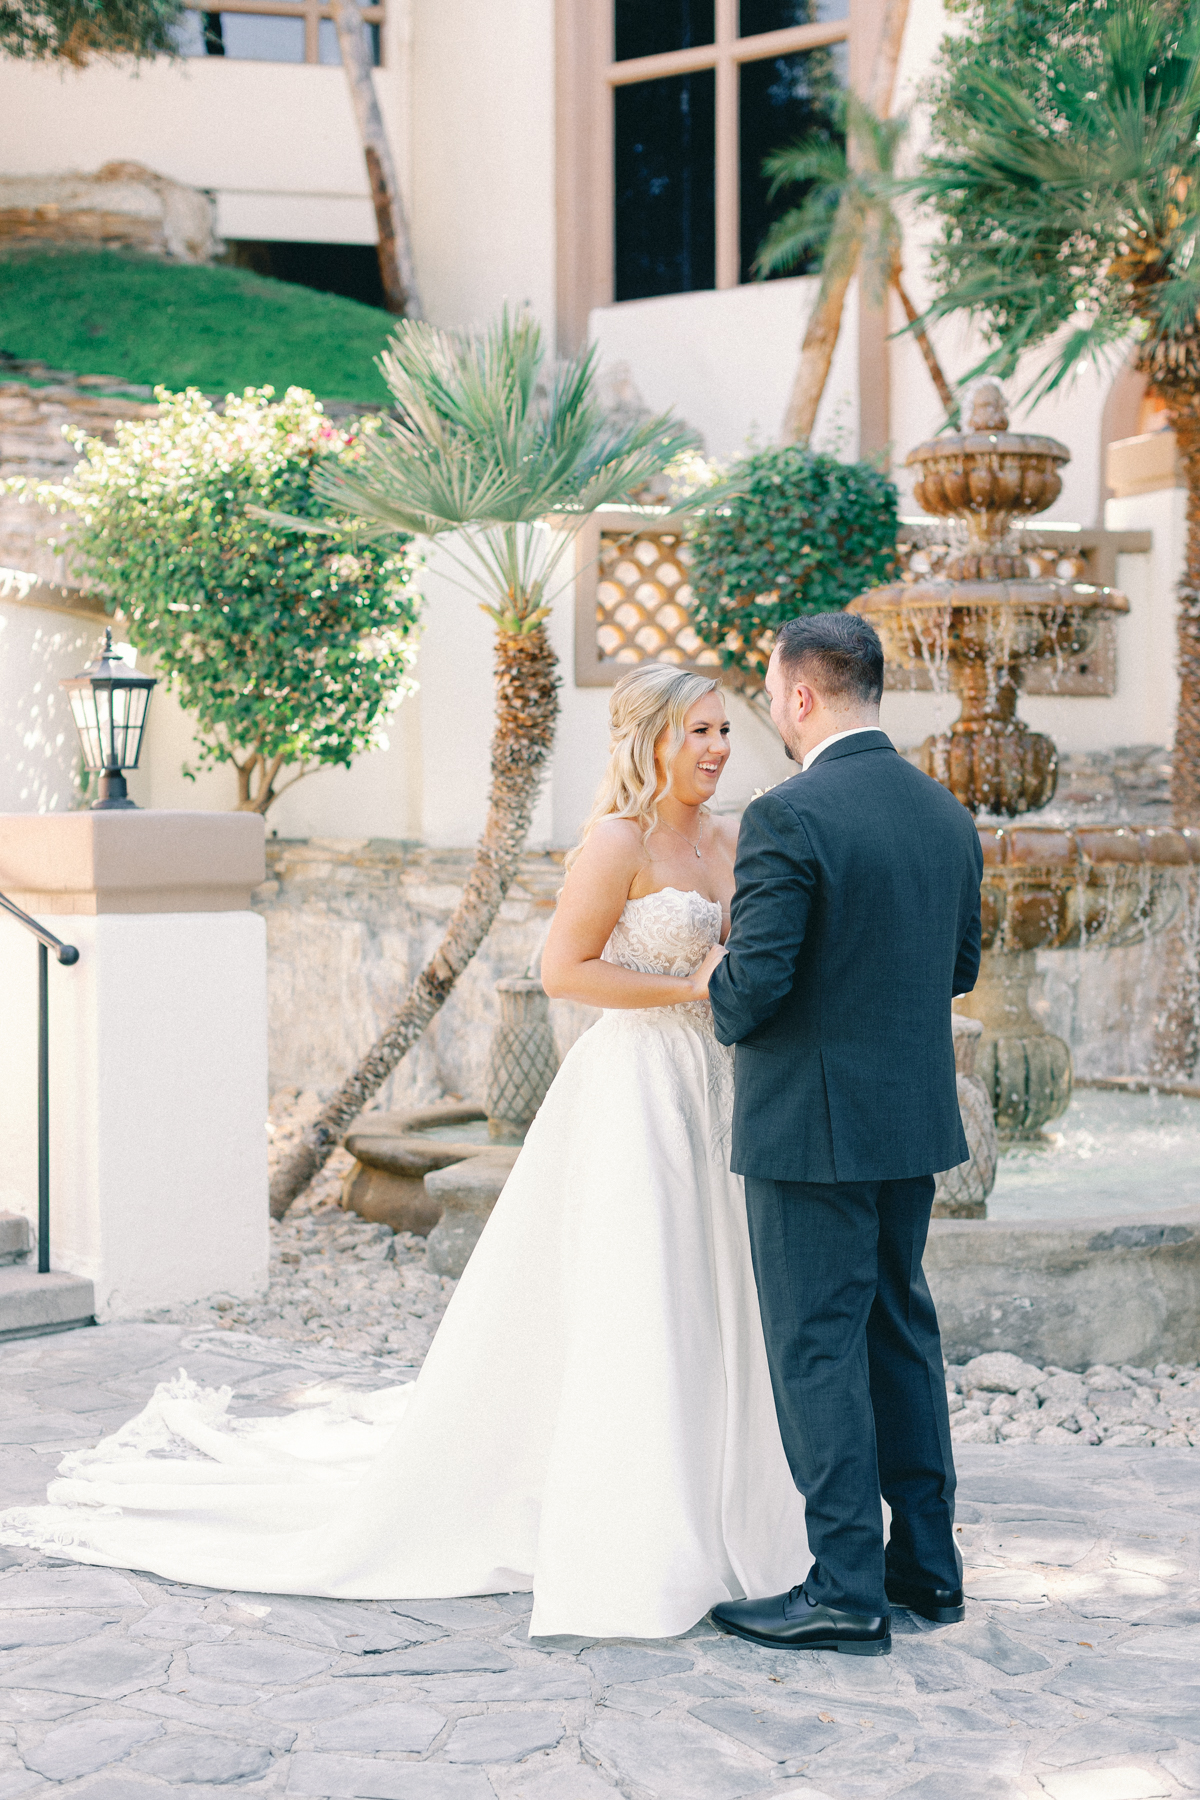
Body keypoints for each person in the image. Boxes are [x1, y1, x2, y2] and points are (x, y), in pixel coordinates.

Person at [0, 662, 807, 1642]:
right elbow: (566, 971)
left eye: (725, 731)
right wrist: (692, 991)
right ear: (650, 740)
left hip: (711, 1088)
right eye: (700, 733)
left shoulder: (728, 836)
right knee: (644, 1292)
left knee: (713, 1292)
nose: (719, 751)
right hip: (637, 1087)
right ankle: (640, 1518)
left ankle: (725, 1501)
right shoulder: (617, 842)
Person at [707, 612, 984, 1658]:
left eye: (771, 692)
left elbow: (753, 991)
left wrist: (712, 980)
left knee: (815, 1348)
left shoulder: (789, 815)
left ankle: (844, 1589)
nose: (769, 709)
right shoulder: (945, 815)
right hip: (907, 1119)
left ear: (802, 695)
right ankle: (928, 1569)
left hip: (807, 1127)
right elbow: (957, 969)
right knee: (899, 1333)